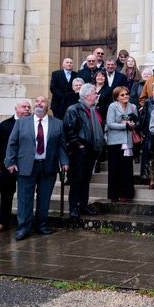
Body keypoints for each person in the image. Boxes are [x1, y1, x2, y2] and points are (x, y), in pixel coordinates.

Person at [5, 97, 68, 240]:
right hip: (26, 166)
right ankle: (24, 228)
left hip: (48, 166)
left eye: (42, 101)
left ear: (48, 106)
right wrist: (10, 162)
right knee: (25, 198)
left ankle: (42, 225)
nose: (39, 103)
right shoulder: (21, 123)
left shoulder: (57, 124)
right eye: (37, 101)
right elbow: (12, 143)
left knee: (44, 198)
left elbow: (61, 145)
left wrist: (64, 162)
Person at [0, 100, 31, 232]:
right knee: (6, 194)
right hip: (8, 165)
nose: (27, 109)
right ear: (16, 108)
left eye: (29, 107)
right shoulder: (5, 125)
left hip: (27, 165)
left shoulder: (33, 124)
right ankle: (3, 222)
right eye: (24, 107)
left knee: (25, 195)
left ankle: (24, 223)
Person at [63, 83, 105, 218]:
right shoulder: (74, 109)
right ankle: (74, 207)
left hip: (92, 150)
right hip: (79, 151)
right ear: (87, 95)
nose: (96, 95)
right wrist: (78, 145)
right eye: (94, 93)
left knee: (86, 179)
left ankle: (83, 205)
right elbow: (69, 129)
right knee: (77, 179)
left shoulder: (93, 109)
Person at [105, 86, 138, 202]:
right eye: (122, 95)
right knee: (114, 168)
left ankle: (126, 194)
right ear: (117, 97)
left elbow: (136, 121)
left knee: (127, 169)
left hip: (128, 141)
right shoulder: (112, 106)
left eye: (127, 94)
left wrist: (132, 124)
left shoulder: (133, 106)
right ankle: (114, 195)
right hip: (115, 142)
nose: (125, 96)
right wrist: (124, 125)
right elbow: (110, 124)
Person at [139, 82, 154, 189]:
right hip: (150, 135)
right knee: (151, 158)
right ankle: (152, 179)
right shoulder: (148, 102)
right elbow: (143, 118)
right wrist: (141, 132)